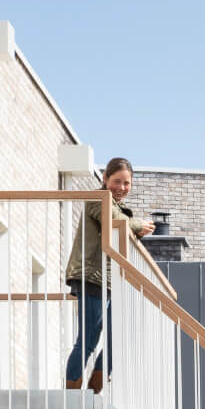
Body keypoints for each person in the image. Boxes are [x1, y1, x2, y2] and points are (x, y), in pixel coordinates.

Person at [65, 155, 155, 392]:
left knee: (119, 336)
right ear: (104, 178)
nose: (122, 188)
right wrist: (137, 225)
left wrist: (135, 228)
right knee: (89, 337)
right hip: (91, 276)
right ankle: (72, 394)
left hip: (110, 280)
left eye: (127, 183)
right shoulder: (98, 197)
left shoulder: (116, 206)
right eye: (117, 181)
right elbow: (114, 221)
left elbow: (119, 222)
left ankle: (95, 389)